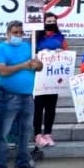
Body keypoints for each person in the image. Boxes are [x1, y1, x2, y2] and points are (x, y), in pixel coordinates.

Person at [0, 21, 43, 168]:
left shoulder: (28, 47)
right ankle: (0, 166)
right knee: (3, 133)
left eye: (21, 32)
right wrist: (24, 65)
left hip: (27, 95)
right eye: (15, 32)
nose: (18, 35)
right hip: (8, 95)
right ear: (7, 33)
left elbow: (38, 67)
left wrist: (38, 64)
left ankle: (22, 161)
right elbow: (3, 71)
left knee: (26, 131)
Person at [33, 13, 68, 148]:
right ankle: (37, 134)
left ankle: (48, 133)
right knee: (38, 107)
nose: (51, 22)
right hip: (40, 77)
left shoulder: (60, 37)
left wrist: (61, 52)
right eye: (49, 21)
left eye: (54, 21)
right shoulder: (37, 37)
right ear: (43, 22)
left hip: (54, 78)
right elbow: (32, 54)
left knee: (51, 108)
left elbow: (67, 53)